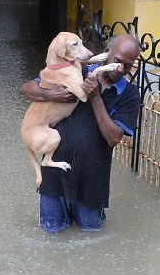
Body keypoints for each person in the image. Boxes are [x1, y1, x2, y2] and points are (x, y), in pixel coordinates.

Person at [22, 34, 141, 233]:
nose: (120, 69)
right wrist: (49, 94)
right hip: (54, 174)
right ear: (106, 53)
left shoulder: (129, 94)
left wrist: (95, 98)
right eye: (117, 61)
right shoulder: (75, 68)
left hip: (92, 179)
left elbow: (113, 138)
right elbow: (28, 87)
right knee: (51, 234)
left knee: (91, 233)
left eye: (127, 66)